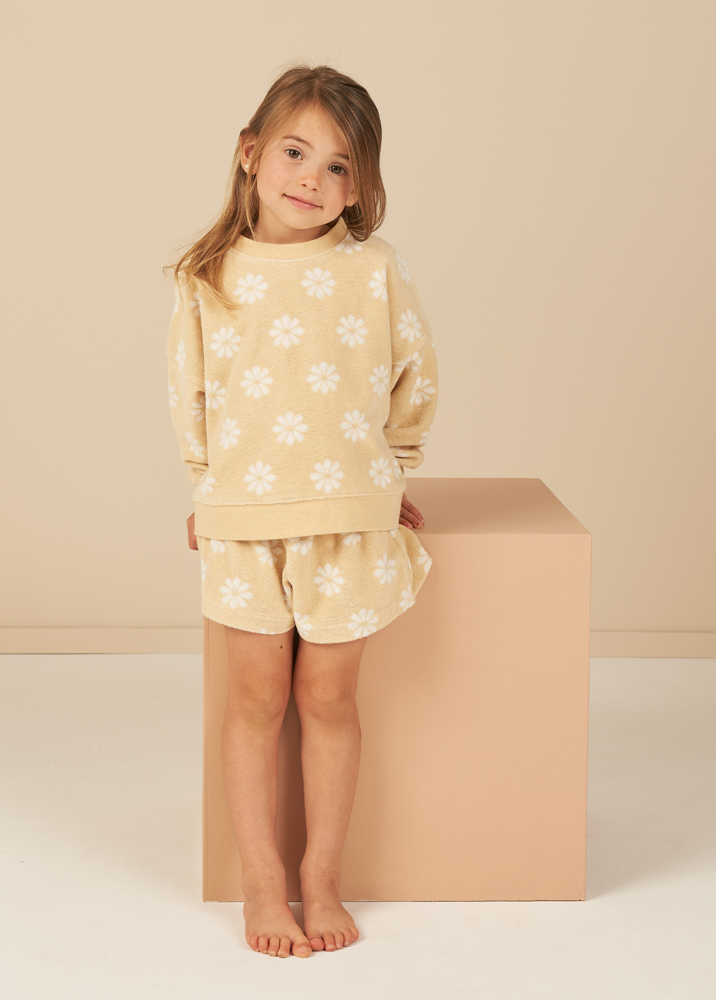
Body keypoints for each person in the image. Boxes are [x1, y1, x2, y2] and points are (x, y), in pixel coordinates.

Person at [165, 63, 437, 958]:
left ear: (359, 186)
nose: (312, 179)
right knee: (254, 699)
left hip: (349, 521)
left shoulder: (374, 269)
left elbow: (412, 375)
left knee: (328, 698)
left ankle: (321, 876)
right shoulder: (208, 275)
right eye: (295, 152)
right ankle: (261, 883)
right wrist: (208, 491)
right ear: (250, 153)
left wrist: (388, 475)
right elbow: (192, 396)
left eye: (338, 166)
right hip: (245, 521)